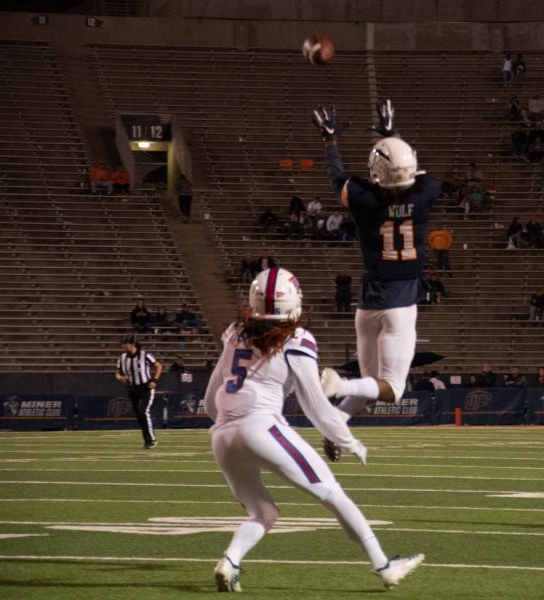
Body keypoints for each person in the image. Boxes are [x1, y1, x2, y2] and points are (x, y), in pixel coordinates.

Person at [205, 267, 424, 591]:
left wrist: (227, 424)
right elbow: (316, 406)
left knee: (262, 512)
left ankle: (231, 562)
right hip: (261, 426)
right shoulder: (297, 339)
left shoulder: (235, 331)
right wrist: (347, 438)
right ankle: (384, 566)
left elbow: (211, 398)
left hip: (222, 435)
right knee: (333, 494)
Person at [312, 100, 439, 461]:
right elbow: (414, 173)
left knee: (371, 390)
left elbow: (337, 177)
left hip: (367, 305)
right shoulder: (426, 195)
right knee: (392, 389)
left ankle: (334, 423)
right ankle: (339, 385)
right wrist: (391, 133)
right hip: (400, 308)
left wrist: (330, 141)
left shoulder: (365, 200)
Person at [115, 333, 163, 449]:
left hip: (145, 388)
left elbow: (158, 366)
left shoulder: (144, 355)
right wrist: (119, 377)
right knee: (139, 415)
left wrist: (154, 380)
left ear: (132, 343)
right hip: (132, 389)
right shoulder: (122, 358)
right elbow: (118, 372)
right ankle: (147, 440)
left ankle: (152, 440)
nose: (122, 346)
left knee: (143, 412)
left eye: (124, 343)